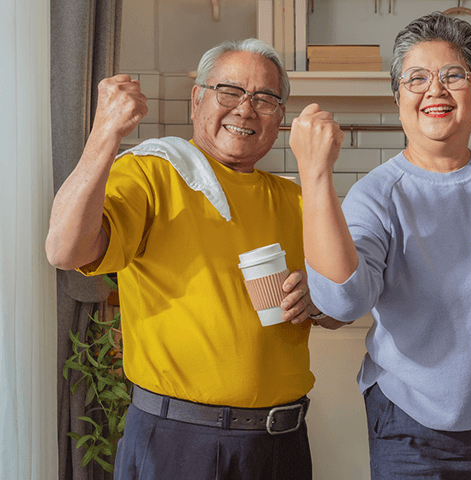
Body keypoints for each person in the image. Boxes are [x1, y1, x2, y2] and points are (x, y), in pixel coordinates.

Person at [45, 38, 342, 480]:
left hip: (282, 443)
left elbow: (339, 309)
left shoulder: (299, 199)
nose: (245, 109)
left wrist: (317, 301)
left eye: (264, 98)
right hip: (178, 442)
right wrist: (104, 133)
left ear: (280, 119)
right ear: (196, 100)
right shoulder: (152, 172)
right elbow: (64, 250)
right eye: (229, 91)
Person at [289, 11, 471, 479]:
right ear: (398, 99)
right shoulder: (376, 194)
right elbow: (343, 299)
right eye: (416, 78)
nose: (434, 89)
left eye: (453, 75)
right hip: (415, 432)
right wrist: (315, 173)